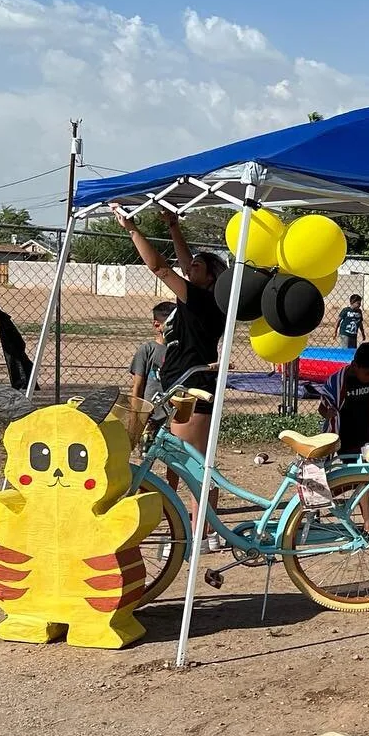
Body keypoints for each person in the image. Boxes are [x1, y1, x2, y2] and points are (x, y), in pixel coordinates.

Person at [112, 204, 228, 552]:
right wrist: (174, 226)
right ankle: (206, 532)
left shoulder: (201, 301)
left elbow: (160, 267)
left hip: (193, 389)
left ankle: (199, 536)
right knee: (194, 462)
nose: (189, 266)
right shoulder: (202, 298)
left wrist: (132, 229)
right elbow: (181, 262)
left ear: (209, 277)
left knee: (195, 465)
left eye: (196, 266)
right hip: (185, 385)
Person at [318, 340, 369, 532]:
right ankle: (317, 504)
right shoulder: (338, 380)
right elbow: (322, 407)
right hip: (343, 435)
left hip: (366, 434)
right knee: (352, 477)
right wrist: (329, 413)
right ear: (355, 365)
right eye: (368, 374)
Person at [129, 302, 174, 404]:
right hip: (150, 415)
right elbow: (138, 387)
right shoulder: (147, 350)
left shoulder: (180, 350)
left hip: (173, 415)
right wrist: (135, 416)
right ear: (157, 325)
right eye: (171, 324)